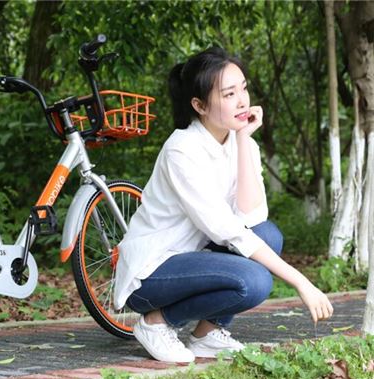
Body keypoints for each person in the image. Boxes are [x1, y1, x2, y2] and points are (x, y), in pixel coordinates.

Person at [113, 47, 334, 363]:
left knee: (268, 235)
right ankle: (156, 323)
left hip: (195, 257)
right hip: (152, 272)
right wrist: (301, 282)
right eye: (229, 94)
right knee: (253, 282)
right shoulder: (182, 151)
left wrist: (243, 139)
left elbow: (252, 217)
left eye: (243, 88)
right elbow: (228, 230)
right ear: (200, 105)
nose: (242, 101)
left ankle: (206, 334)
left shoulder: (242, 143)